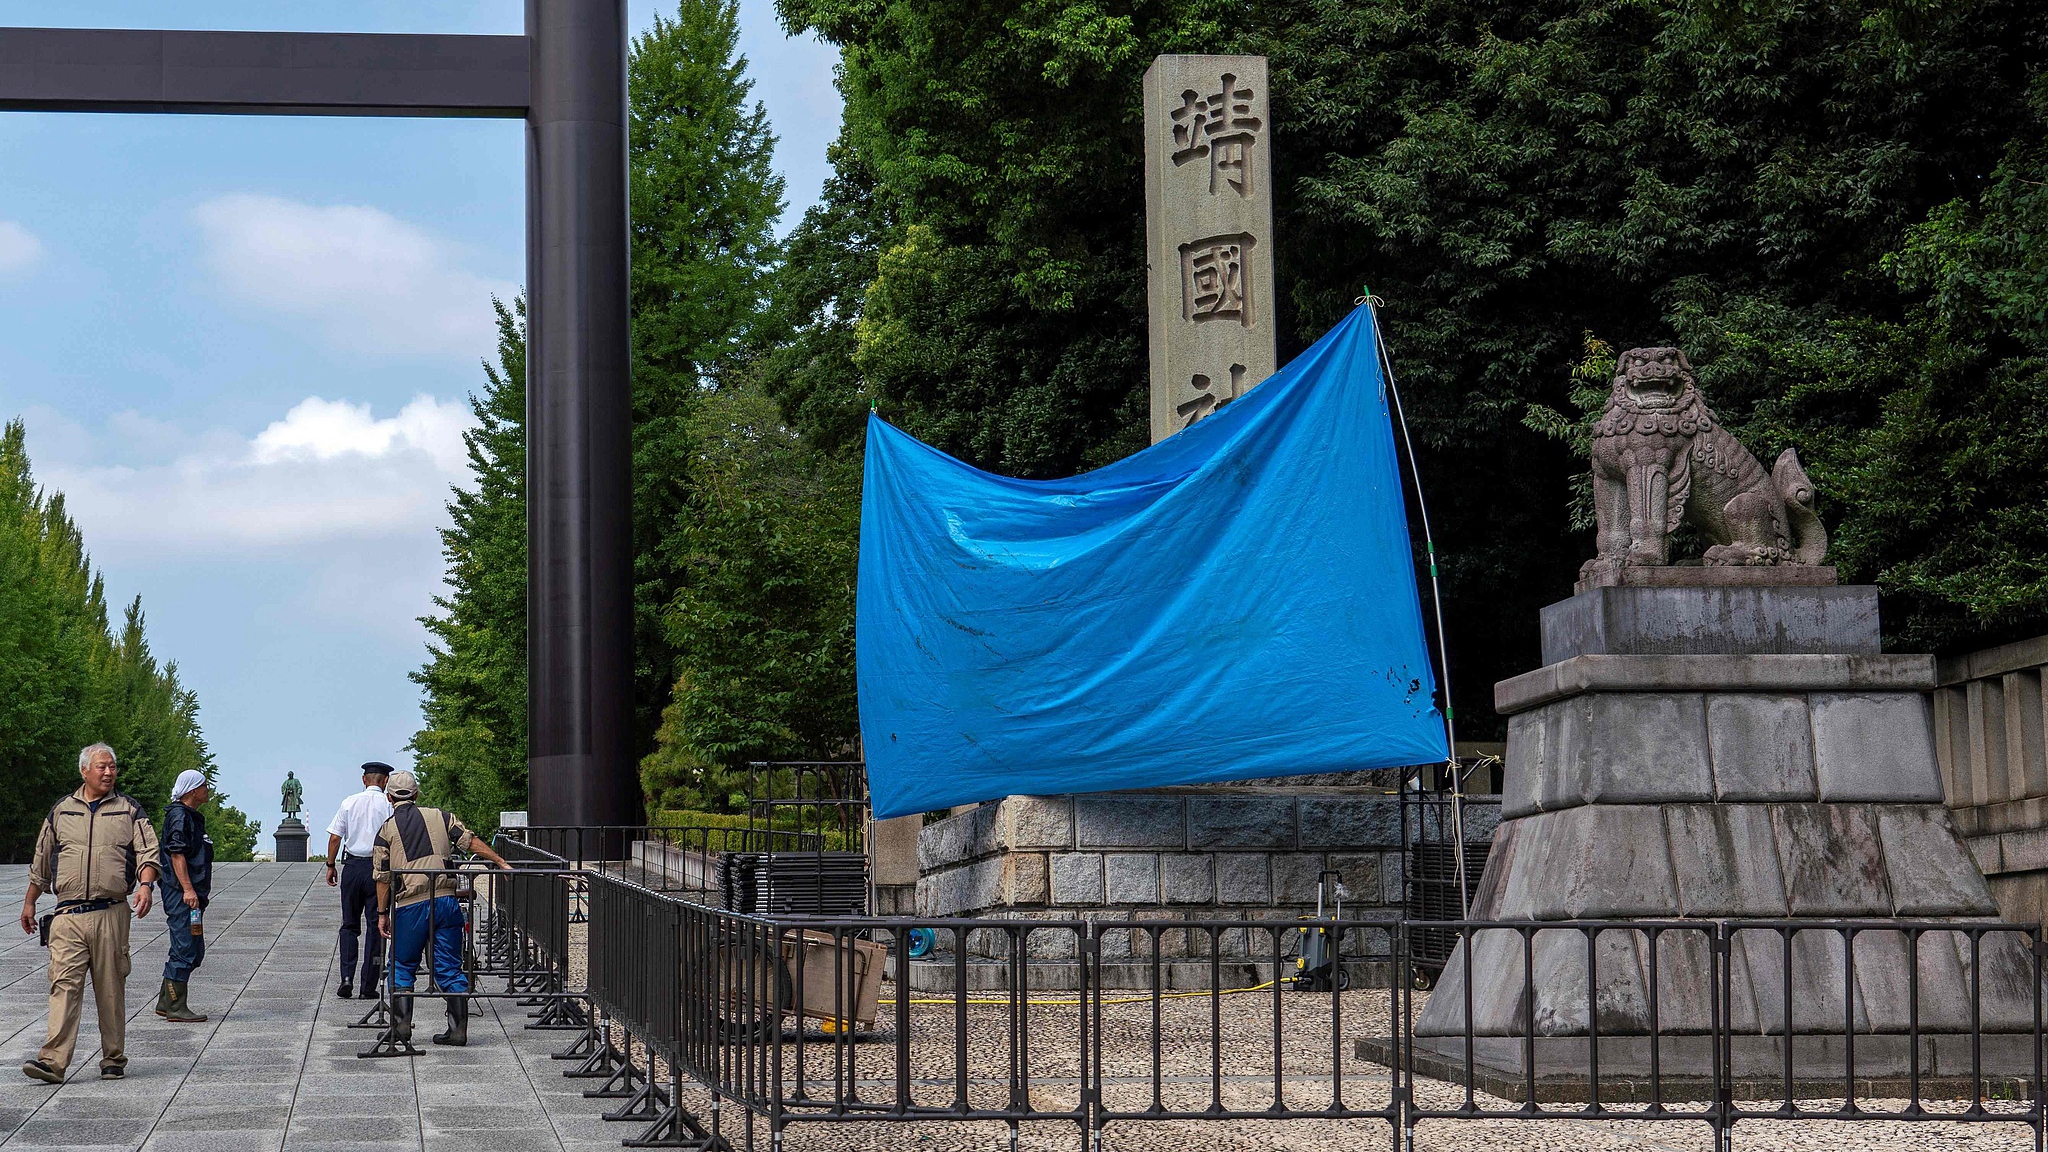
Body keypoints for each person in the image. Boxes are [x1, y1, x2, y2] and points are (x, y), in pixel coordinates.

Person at [18, 743, 160, 1084]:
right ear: (84, 771)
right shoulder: (62, 811)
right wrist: (30, 901)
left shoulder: (129, 810)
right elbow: (42, 858)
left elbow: (149, 852)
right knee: (63, 985)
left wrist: (145, 886)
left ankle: (113, 1058)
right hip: (66, 915)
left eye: (112, 767)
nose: (109, 772)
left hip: (111, 911)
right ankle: (52, 1061)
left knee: (110, 987)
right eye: (102, 767)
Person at [373, 770, 509, 1047]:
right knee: (449, 965)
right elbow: (468, 840)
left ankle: (401, 1028)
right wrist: (500, 861)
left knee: (400, 963)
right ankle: (457, 1030)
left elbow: (383, 876)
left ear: (389, 797)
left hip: (411, 904)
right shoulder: (441, 816)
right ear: (416, 794)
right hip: (447, 900)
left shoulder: (386, 829)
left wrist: (381, 913)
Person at [324, 762, 394, 999]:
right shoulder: (388, 805)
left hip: (353, 866)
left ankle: (346, 978)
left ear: (364, 779)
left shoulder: (349, 802)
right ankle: (368, 985)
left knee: (349, 925)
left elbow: (335, 837)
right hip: (379, 869)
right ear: (385, 781)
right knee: (377, 926)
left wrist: (331, 865)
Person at [155, 770, 214, 1023]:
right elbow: (177, 854)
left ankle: (165, 1001)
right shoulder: (180, 817)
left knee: (193, 946)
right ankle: (176, 1006)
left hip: (192, 895)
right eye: (204, 785)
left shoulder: (189, 816)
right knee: (185, 947)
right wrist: (188, 889)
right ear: (191, 790)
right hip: (182, 895)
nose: (208, 789)